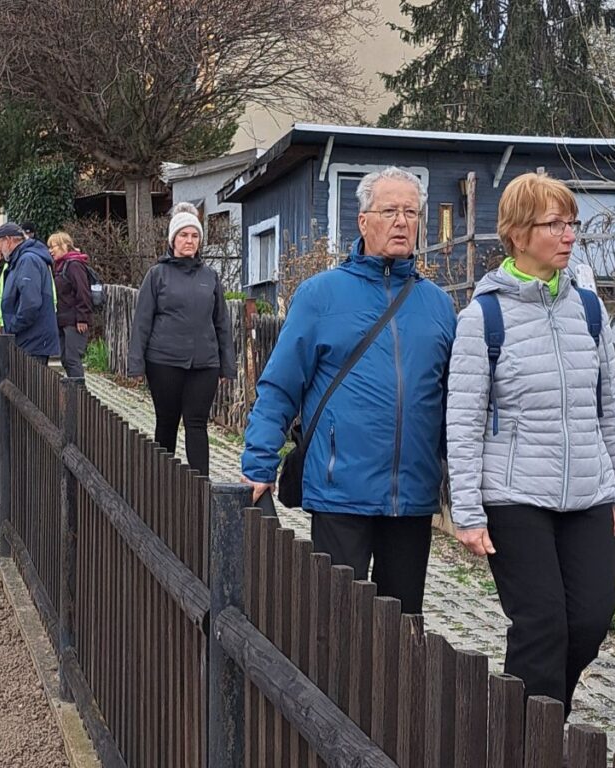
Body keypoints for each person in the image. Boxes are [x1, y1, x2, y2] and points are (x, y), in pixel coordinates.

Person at [446, 171, 615, 719]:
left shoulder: (590, 311)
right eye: (555, 223)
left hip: (588, 493)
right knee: (542, 623)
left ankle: (542, 718)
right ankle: (532, 737)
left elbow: (609, 408)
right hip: (515, 495)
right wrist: (468, 511)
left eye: (573, 222)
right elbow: (462, 421)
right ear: (518, 233)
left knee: (591, 618)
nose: (570, 234)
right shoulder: (484, 318)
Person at [241, 167, 456, 615]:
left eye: (411, 212)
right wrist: (259, 462)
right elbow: (281, 386)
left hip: (411, 495)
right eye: (390, 211)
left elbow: (456, 403)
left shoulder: (438, 305)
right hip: (341, 489)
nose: (402, 222)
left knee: (400, 621)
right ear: (363, 221)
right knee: (339, 621)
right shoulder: (321, 295)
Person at [127, 202, 236, 477]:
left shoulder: (210, 276)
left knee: (197, 423)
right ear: (173, 239)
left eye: (194, 236)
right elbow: (142, 321)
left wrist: (227, 364)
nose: (189, 241)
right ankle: (161, 484)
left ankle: (201, 487)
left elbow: (222, 321)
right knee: (167, 422)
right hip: (164, 362)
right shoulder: (157, 275)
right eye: (184, 235)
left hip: (204, 364)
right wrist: (136, 365)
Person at [0, 222, 60, 364]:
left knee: (29, 385)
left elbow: (30, 303)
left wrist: (12, 326)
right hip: (31, 338)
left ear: (9, 240)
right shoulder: (21, 259)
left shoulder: (27, 260)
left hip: (32, 340)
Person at [48, 231, 94, 378]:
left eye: (53, 246)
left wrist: (82, 318)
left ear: (64, 246)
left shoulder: (74, 265)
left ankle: (79, 394)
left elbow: (83, 292)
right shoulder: (60, 266)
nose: (50, 250)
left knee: (73, 360)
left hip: (74, 322)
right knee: (66, 359)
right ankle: (72, 393)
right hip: (63, 320)